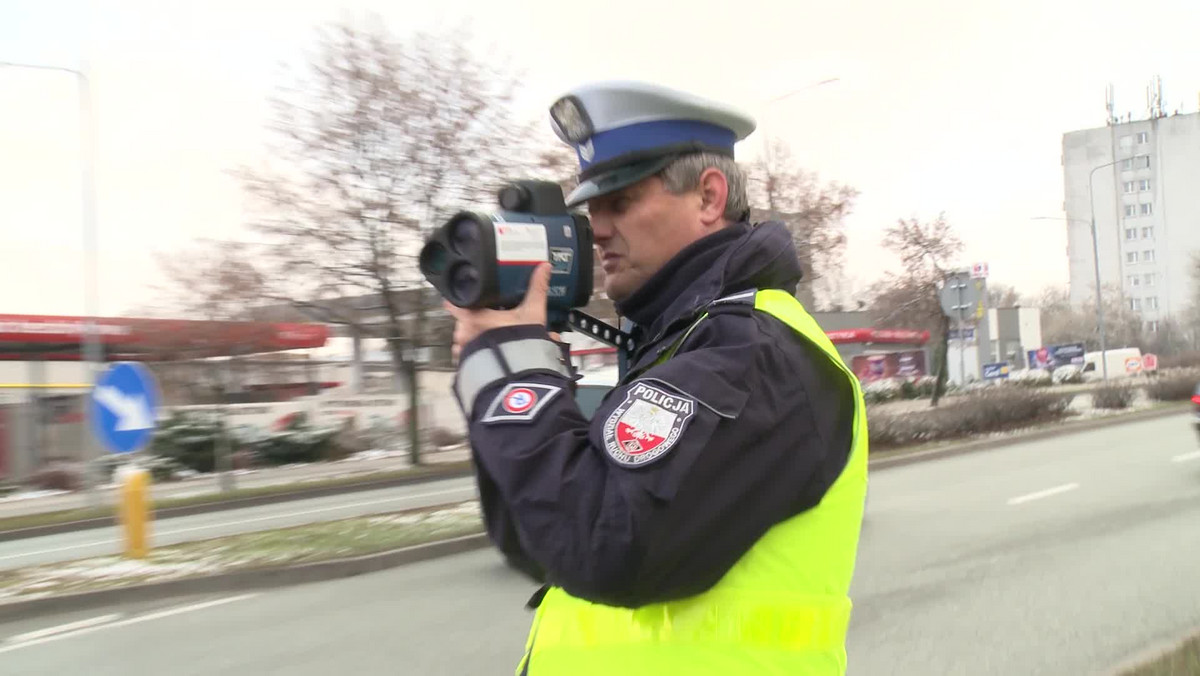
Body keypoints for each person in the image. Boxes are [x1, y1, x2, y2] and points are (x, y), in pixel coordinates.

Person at [444, 80, 868, 675]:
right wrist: (510, 364)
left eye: (619, 202)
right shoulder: (675, 348)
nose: (597, 229)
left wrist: (511, 372)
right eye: (592, 209)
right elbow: (542, 538)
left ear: (709, 197)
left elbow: (606, 546)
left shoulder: (754, 354)